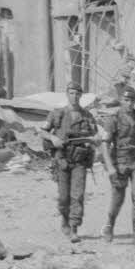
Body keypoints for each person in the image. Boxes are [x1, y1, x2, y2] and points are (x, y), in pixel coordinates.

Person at [40, 82, 111, 243]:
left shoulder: (87, 116)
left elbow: (96, 137)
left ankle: (74, 228)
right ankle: (65, 220)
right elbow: (42, 131)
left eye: (77, 94)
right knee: (64, 198)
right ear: (67, 94)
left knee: (77, 196)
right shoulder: (57, 114)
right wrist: (53, 138)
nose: (74, 96)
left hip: (79, 161)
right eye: (71, 93)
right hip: (62, 160)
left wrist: (95, 139)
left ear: (81, 96)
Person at [102, 85, 135, 244]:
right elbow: (105, 144)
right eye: (126, 100)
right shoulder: (114, 118)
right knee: (118, 198)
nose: (129, 103)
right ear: (121, 101)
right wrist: (110, 167)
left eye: (132, 100)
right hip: (120, 161)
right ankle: (110, 225)